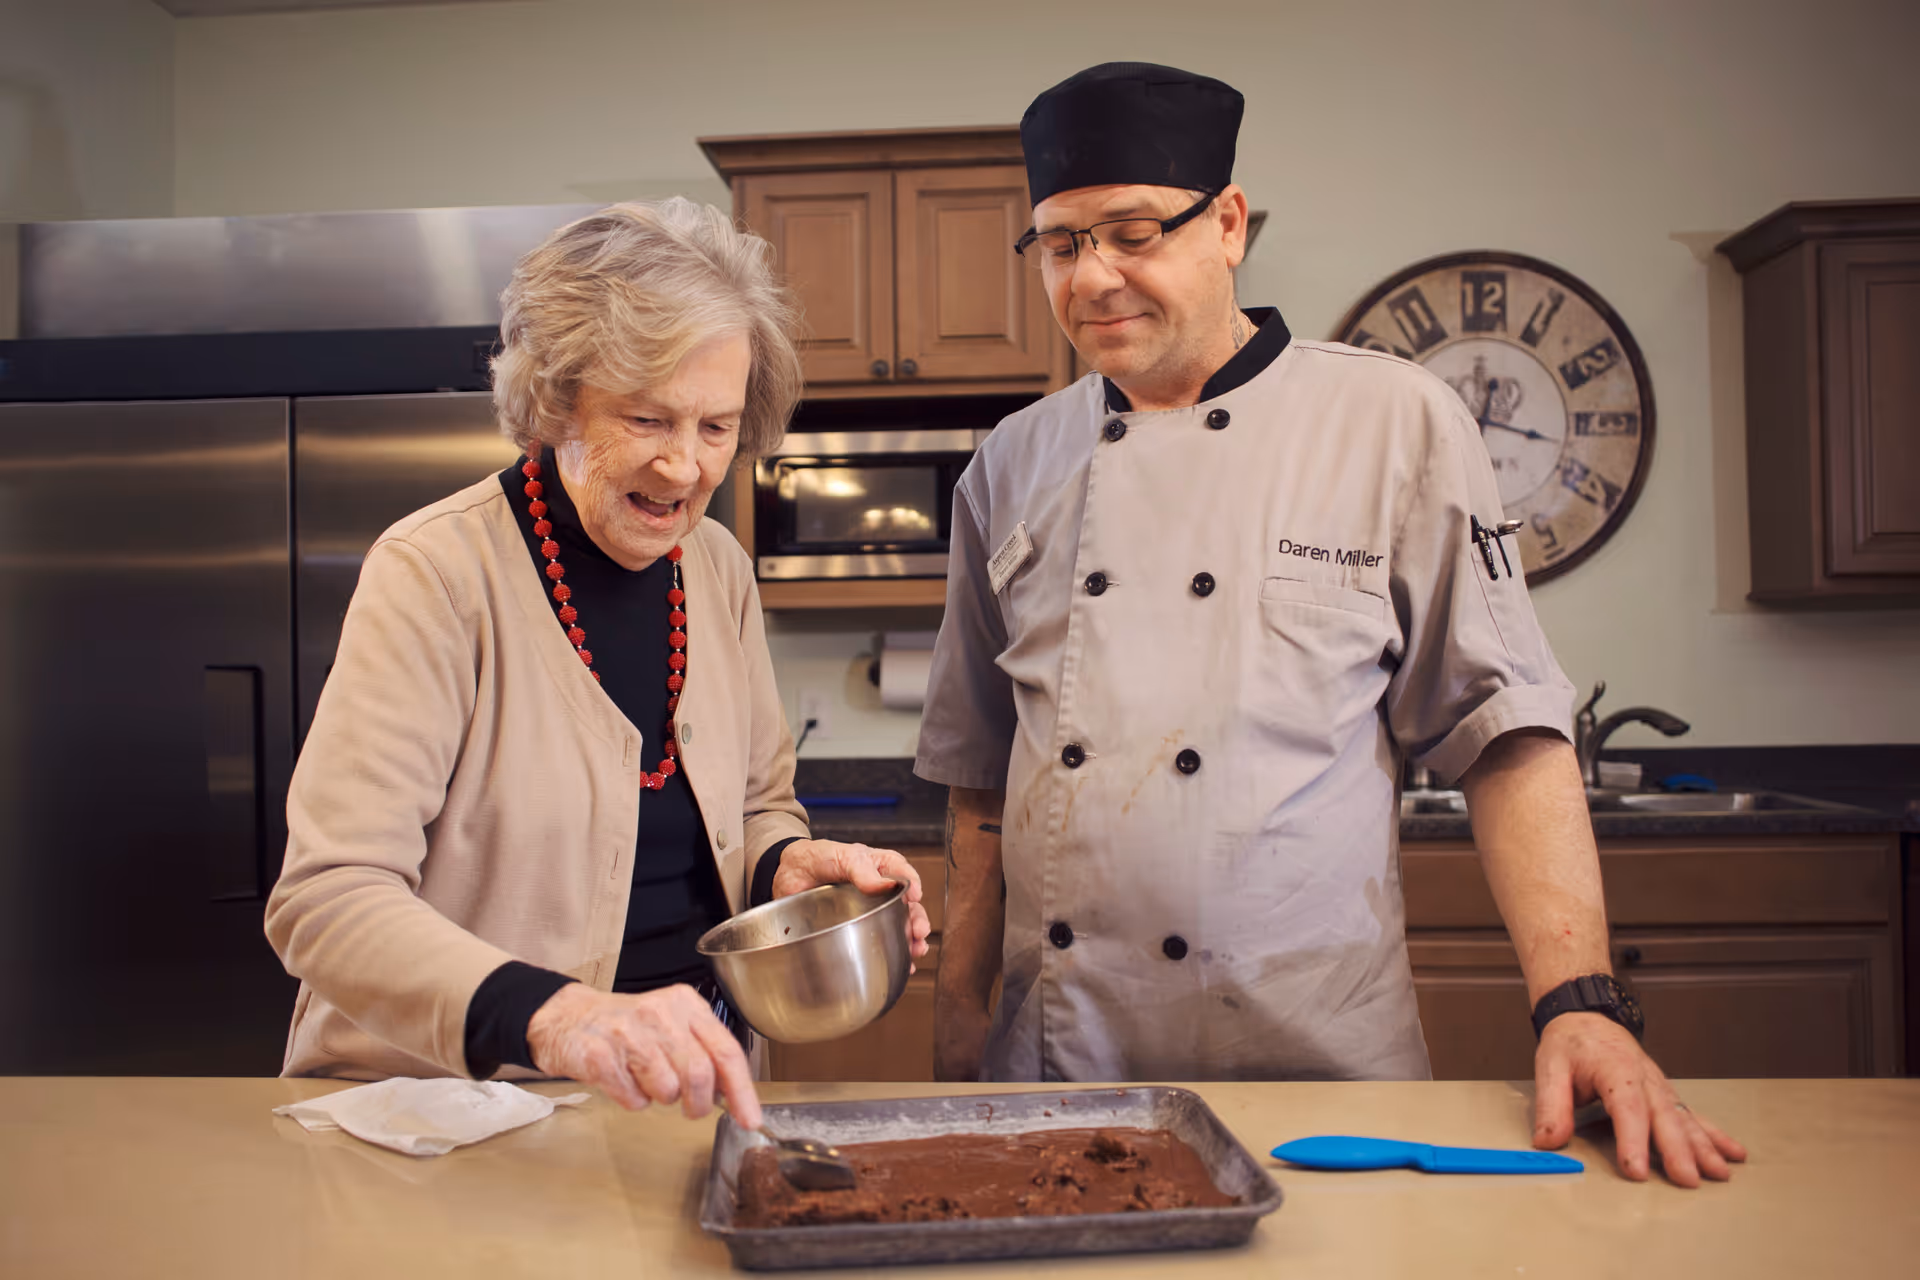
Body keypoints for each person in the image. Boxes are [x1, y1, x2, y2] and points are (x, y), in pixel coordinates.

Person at [915, 63, 1745, 1186]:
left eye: (1131, 233)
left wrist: (1581, 1001)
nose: (1093, 276)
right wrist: (957, 1040)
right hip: (1059, 1070)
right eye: (1060, 244)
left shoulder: (1393, 423)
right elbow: (977, 784)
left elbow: (1507, 731)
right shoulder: (1010, 464)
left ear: (1228, 224)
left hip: (1311, 1077)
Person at [267, 200, 930, 1125]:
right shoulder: (436, 575)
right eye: (648, 418)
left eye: (715, 427)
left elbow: (754, 801)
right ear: (553, 400)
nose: (683, 468)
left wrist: (784, 862)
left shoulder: (718, 570)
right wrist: (556, 1017)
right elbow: (327, 900)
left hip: (688, 1092)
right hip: (453, 1112)